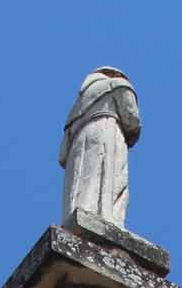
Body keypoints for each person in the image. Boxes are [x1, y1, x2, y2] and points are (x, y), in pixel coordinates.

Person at [58, 68, 141, 228]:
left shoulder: (78, 105)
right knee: (111, 176)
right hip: (107, 130)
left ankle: (78, 214)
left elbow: (62, 156)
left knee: (80, 179)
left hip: (78, 140)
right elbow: (132, 121)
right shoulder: (119, 85)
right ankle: (105, 218)